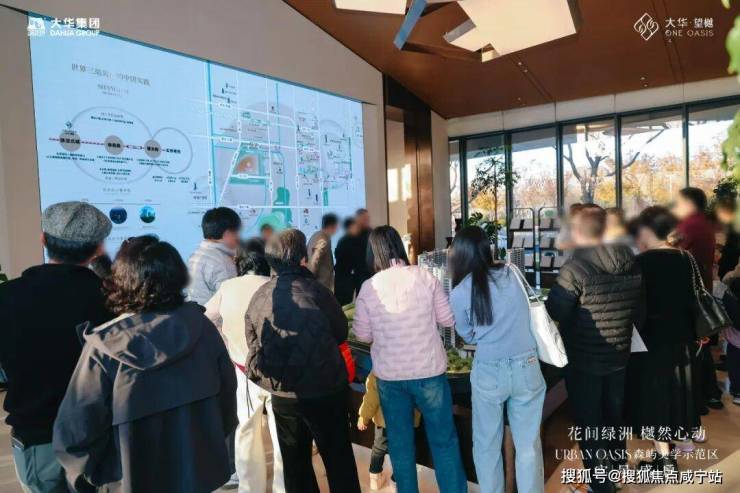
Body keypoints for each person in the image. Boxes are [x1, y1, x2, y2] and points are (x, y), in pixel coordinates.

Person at [53, 235, 238, 493]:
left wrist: (101, 480)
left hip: (129, 481)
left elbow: (75, 435)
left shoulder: (105, 347)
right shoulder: (201, 327)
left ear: (122, 281)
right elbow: (226, 406)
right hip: (198, 475)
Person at [0, 201, 113, 493]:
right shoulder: (113, 300)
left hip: (39, 437)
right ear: (98, 249)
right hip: (104, 433)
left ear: (43, 239)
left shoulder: (7, 297)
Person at [245, 229, 360, 493]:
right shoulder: (318, 291)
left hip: (283, 392)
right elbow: (340, 332)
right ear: (302, 259)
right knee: (338, 459)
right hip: (325, 388)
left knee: (295, 464)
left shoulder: (260, 295)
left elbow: (252, 340)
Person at [353, 225, 467, 493]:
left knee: (400, 445)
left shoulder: (369, 287)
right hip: (430, 373)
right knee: (444, 442)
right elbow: (447, 319)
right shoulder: (424, 277)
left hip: (390, 378)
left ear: (373, 253)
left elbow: (362, 334)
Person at [545, 205, 642, 493]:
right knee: (613, 414)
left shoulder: (576, 267)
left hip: (584, 356)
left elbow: (556, 311)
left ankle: (600, 484)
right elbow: (639, 311)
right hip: (619, 353)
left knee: (590, 421)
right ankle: (617, 470)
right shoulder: (631, 261)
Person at [449, 226, 545, 493]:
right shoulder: (512, 273)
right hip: (527, 365)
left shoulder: (460, 291)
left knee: (486, 445)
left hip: (490, 370)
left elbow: (467, 333)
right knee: (528, 445)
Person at [205, 239, 285, 493]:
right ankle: (284, 486)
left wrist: (225, 338)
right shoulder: (276, 285)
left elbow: (206, 317)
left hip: (243, 371)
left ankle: (251, 487)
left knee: (247, 433)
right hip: (279, 374)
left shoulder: (228, 287)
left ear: (239, 262)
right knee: (281, 433)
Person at [626, 207, 701, 472]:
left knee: (655, 399)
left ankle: (665, 461)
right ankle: (667, 455)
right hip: (682, 338)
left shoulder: (641, 262)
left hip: (651, 342)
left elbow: (636, 307)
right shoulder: (685, 258)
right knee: (675, 397)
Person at [673, 187, 723, 411]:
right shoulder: (703, 224)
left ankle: (701, 395)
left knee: (693, 348)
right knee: (699, 345)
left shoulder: (689, 225)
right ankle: (709, 393)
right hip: (701, 290)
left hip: (688, 294)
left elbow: (672, 251)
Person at [357, 372, 421, 491]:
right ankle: (396, 481)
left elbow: (372, 397)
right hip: (406, 421)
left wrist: (364, 416)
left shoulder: (379, 370)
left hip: (384, 421)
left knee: (379, 447)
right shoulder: (414, 370)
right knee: (403, 451)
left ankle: (375, 476)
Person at [187, 207, 241, 305]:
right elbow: (230, 301)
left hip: (195, 312)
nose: (238, 237)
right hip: (212, 314)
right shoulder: (223, 262)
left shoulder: (195, 255)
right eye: (237, 232)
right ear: (228, 234)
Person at [307, 213, 339, 291]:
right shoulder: (322, 239)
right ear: (332, 226)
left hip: (318, 284)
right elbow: (314, 260)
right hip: (320, 285)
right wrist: (310, 280)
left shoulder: (317, 235)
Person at [334, 217, 361, 305]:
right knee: (345, 301)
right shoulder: (348, 240)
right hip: (345, 277)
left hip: (342, 276)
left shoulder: (342, 240)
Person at [353, 208, 373, 291]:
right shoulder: (352, 235)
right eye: (365, 219)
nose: (367, 221)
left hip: (371, 272)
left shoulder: (372, 233)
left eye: (368, 218)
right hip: (358, 273)